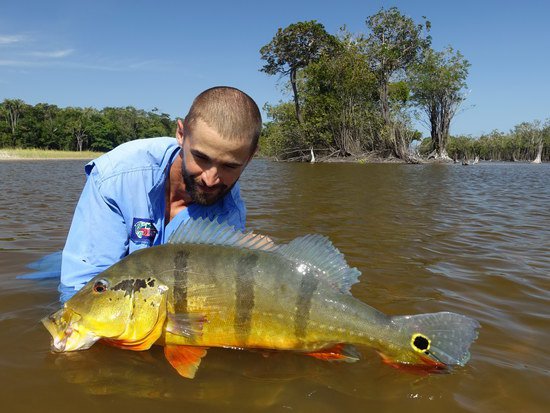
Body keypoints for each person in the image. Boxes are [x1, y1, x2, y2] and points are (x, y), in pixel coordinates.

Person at [60, 86, 261, 300]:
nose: (210, 180)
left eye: (229, 166)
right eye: (201, 157)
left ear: (250, 157)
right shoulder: (117, 176)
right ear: (181, 135)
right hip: (100, 266)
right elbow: (81, 287)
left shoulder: (230, 212)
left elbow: (211, 293)